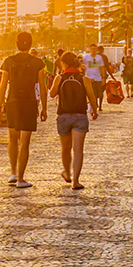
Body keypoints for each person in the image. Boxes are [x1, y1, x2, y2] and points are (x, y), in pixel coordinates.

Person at [0, 32, 51, 189]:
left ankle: (13, 172)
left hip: (12, 102)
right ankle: (21, 179)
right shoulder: (37, 63)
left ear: (16, 44)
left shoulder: (8, 61)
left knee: (12, 138)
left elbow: (2, 86)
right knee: (25, 142)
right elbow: (42, 86)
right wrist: (44, 108)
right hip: (29, 103)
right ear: (31, 44)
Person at [52, 52, 90, 189]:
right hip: (80, 115)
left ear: (65, 64)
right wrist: (95, 110)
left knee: (65, 148)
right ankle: (76, 181)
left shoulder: (60, 77)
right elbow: (91, 95)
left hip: (63, 116)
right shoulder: (83, 78)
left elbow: (51, 93)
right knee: (78, 149)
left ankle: (67, 172)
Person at [82, 45, 109, 118]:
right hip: (89, 78)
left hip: (98, 78)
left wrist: (103, 78)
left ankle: (95, 107)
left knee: (98, 94)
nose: (93, 50)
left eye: (95, 49)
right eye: (92, 49)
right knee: (91, 93)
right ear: (90, 49)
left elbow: (102, 68)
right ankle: (92, 108)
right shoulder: (86, 58)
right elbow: (82, 67)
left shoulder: (99, 58)